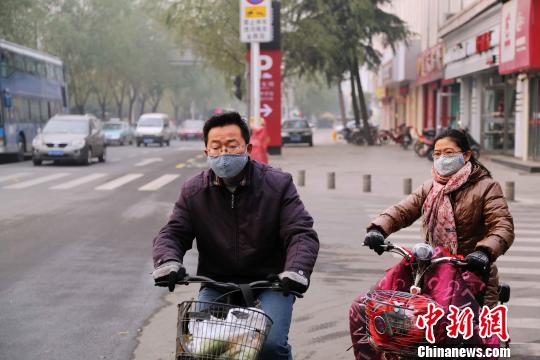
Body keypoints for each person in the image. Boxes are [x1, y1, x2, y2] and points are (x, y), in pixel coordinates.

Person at [152, 111, 319, 360]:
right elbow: (173, 233)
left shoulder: (278, 184)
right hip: (217, 284)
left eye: (231, 146)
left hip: (272, 283)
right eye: (216, 147)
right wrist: (168, 262)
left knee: (269, 345)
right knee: (197, 344)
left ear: (248, 147)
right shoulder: (193, 191)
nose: (223, 154)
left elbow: (301, 233)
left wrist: (296, 271)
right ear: (206, 152)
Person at [351, 128, 514, 358]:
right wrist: (378, 228)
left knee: (473, 343)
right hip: (431, 271)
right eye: (437, 154)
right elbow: (403, 209)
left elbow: (503, 226)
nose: (442, 159)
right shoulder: (431, 187)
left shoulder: (486, 187)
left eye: (449, 152)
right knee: (375, 313)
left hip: (472, 273)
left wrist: (484, 252)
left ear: (466, 155)